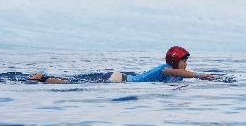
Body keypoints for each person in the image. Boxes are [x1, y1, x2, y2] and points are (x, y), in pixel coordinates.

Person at [29, 46, 214, 84]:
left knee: (74, 81)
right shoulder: (166, 70)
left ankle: (42, 78)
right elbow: (183, 75)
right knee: (72, 83)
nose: (186, 63)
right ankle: (42, 78)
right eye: (184, 60)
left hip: (119, 78)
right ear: (175, 61)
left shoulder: (171, 73)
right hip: (118, 80)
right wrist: (199, 75)